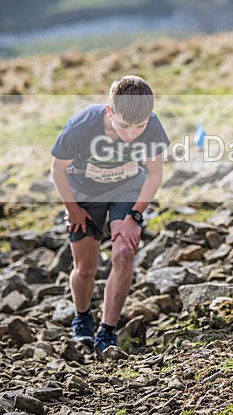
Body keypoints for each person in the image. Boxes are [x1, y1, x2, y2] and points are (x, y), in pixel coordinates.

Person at [51, 75, 169, 356]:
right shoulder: (82, 126)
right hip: (84, 192)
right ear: (109, 111)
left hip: (126, 188)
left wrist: (134, 217)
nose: (131, 133)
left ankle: (107, 330)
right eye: (124, 126)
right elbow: (57, 170)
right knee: (86, 269)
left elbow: (154, 175)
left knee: (124, 254)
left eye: (138, 127)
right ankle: (82, 316)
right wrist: (73, 209)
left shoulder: (151, 126)